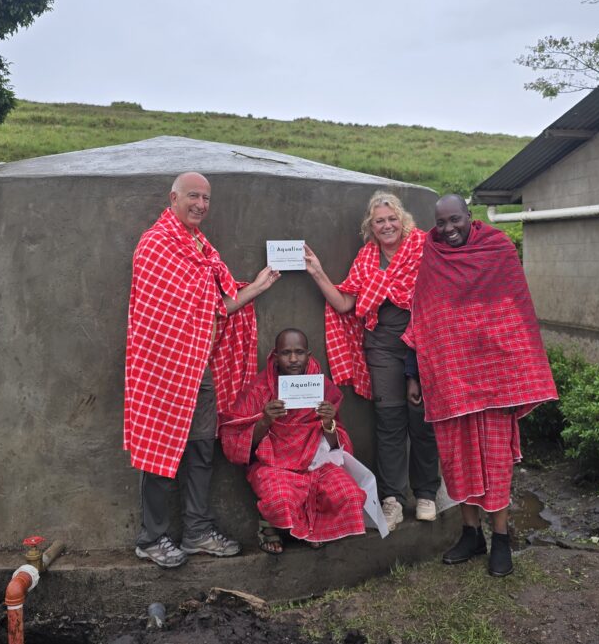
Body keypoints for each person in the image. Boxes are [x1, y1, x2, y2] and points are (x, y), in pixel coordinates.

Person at [124, 172, 280, 568]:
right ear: (173, 198)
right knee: (160, 450)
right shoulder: (156, 245)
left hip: (199, 367)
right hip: (163, 368)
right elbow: (162, 314)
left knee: (200, 449)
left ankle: (195, 531)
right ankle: (151, 538)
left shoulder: (200, 247)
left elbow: (215, 309)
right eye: (193, 196)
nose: (200, 204)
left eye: (206, 198)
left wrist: (258, 287)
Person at [403, 194, 558, 577]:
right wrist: (414, 373)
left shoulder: (497, 248)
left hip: (494, 381)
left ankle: (501, 538)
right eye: (441, 222)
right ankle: (471, 534)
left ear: (469, 216)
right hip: (450, 379)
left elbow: (514, 310)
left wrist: (516, 370)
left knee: (495, 461)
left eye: (455, 219)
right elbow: (423, 316)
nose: (448, 229)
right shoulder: (432, 256)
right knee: (457, 460)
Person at [302, 191, 440, 531]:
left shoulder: (423, 247)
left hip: (423, 343)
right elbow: (344, 303)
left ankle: (426, 493)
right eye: (380, 221)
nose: (387, 225)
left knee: (422, 418)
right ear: (371, 226)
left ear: (403, 220)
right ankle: (392, 499)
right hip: (382, 346)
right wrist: (317, 272)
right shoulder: (367, 258)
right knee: (389, 420)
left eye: (392, 219)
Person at [220, 328, 368, 553]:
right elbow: (236, 442)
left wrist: (328, 422)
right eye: (286, 353)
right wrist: (265, 421)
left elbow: (336, 446)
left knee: (349, 494)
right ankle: (269, 525)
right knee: (280, 500)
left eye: (299, 352)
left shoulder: (322, 386)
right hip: (275, 464)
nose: (292, 359)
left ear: (308, 355)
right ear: (275, 356)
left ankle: (314, 528)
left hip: (315, 464)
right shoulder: (260, 389)